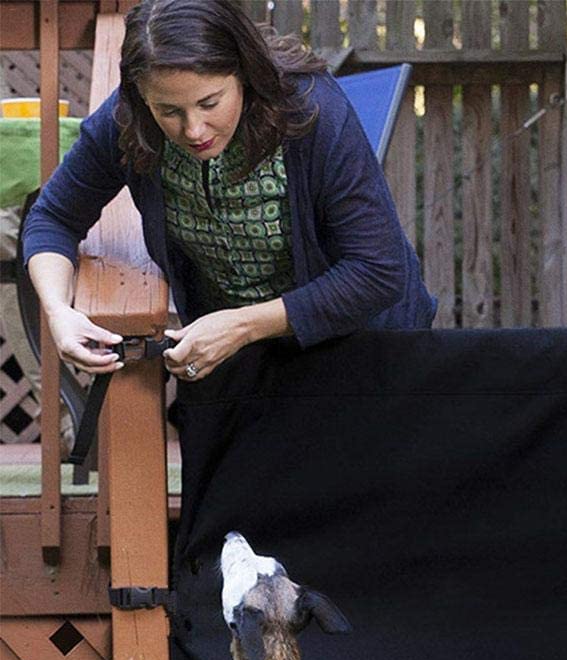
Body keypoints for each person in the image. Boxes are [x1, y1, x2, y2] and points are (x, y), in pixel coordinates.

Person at [22, 0, 436, 384]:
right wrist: (59, 311)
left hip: (370, 352)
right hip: (236, 361)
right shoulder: (125, 123)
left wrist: (241, 324)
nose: (193, 130)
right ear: (142, 99)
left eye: (210, 102)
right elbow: (54, 217)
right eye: (169, 111)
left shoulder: (314, 113)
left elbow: (377, 270)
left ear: (244, 74)